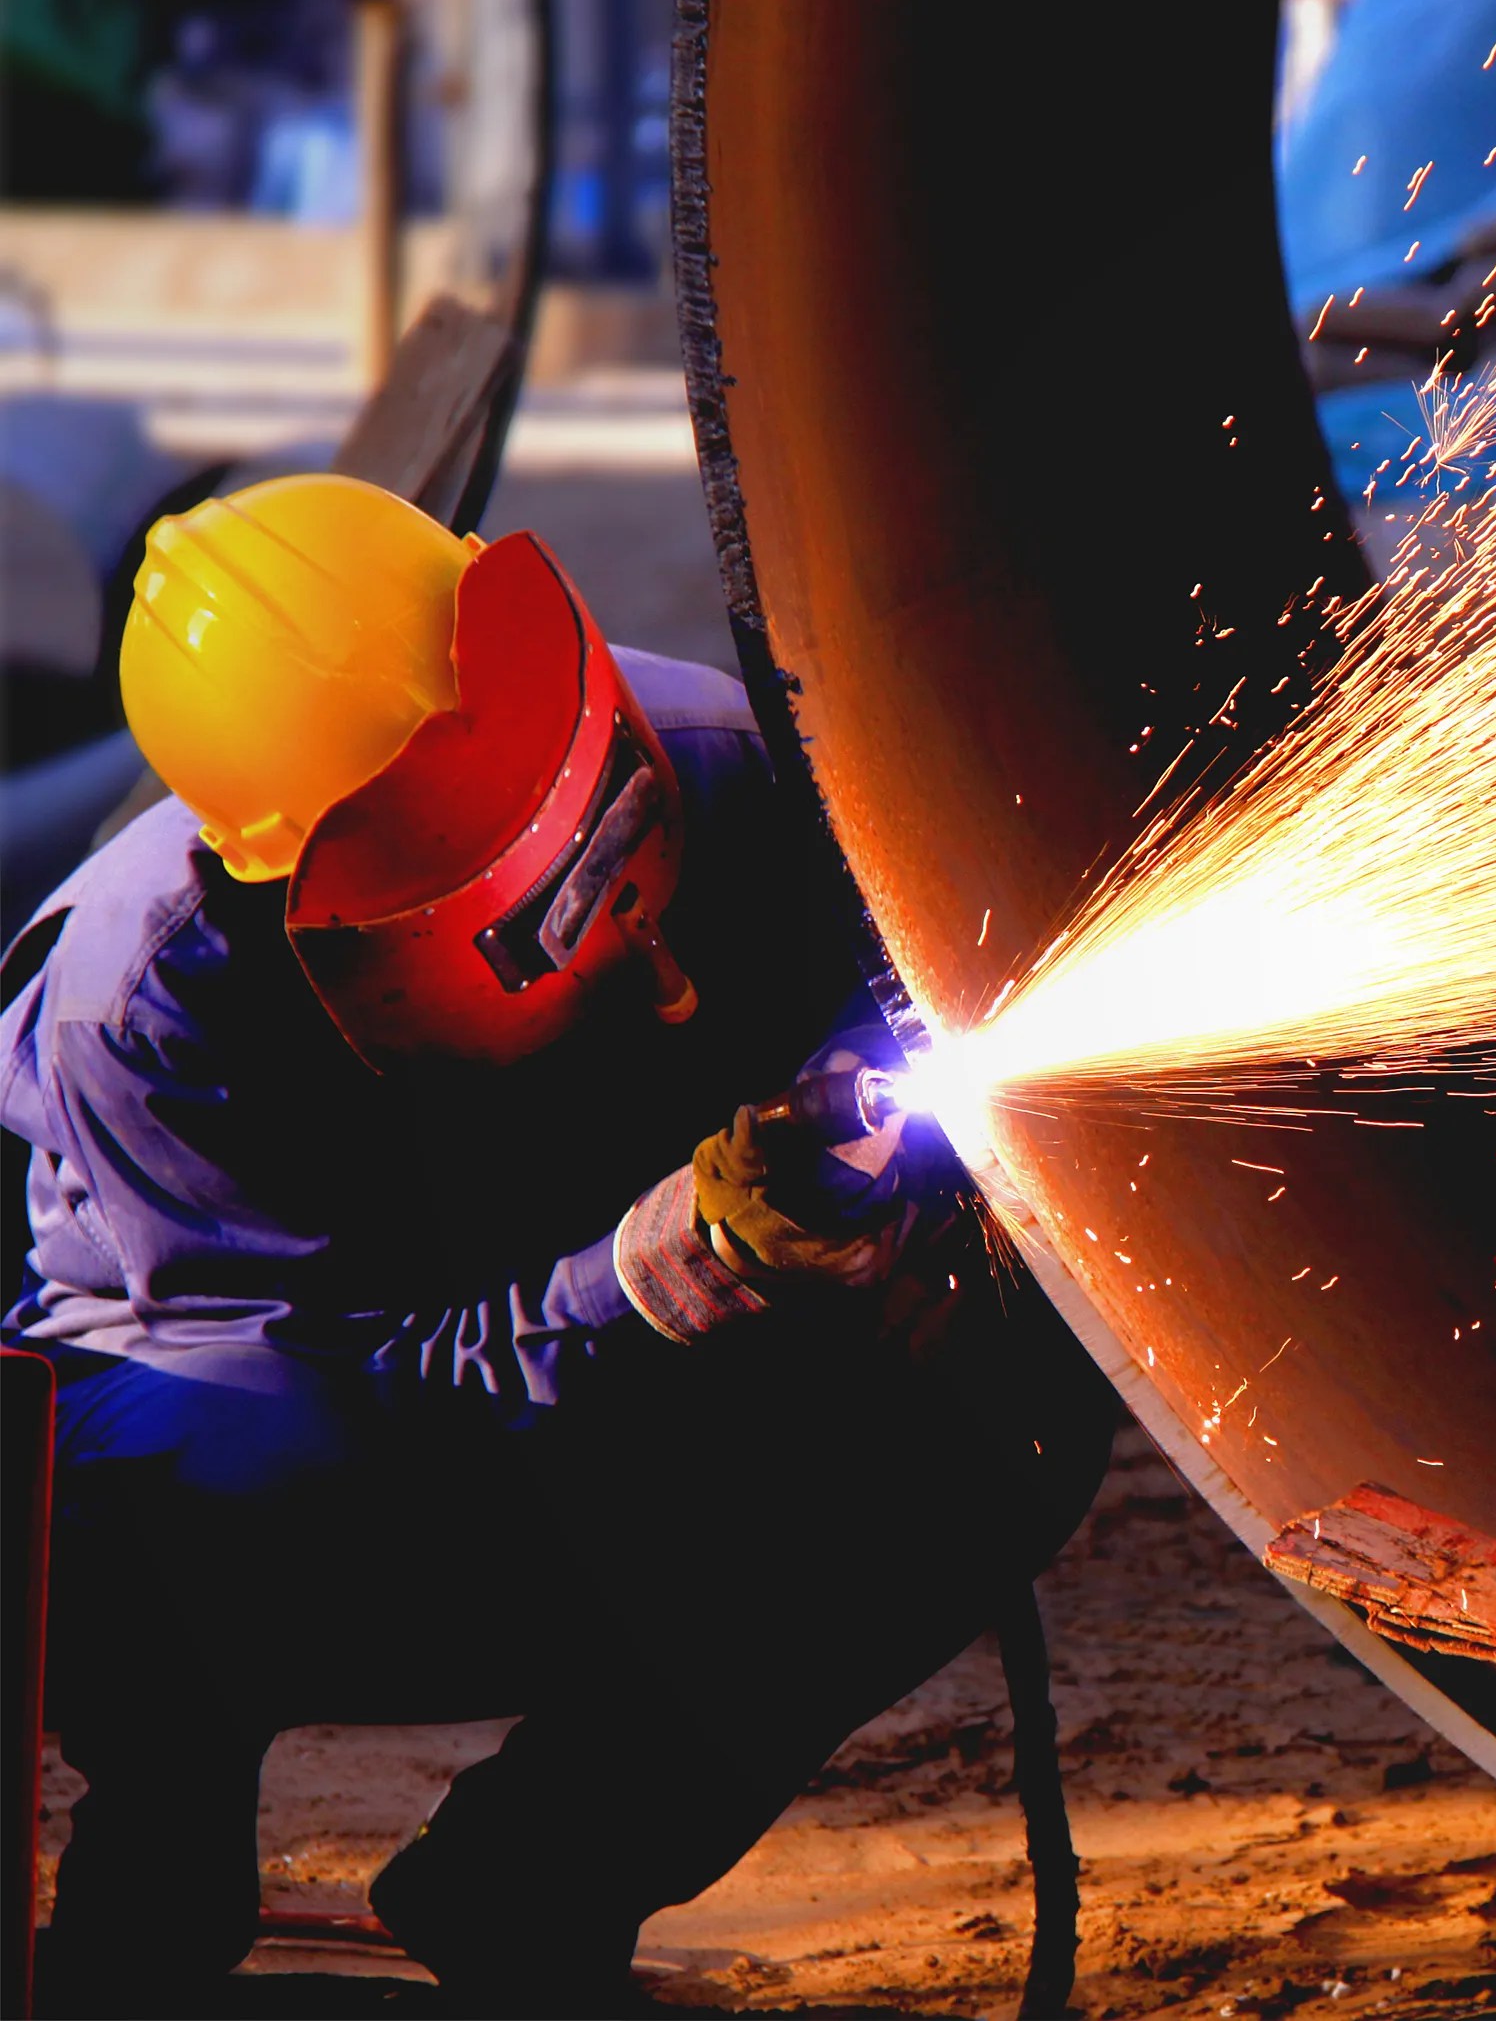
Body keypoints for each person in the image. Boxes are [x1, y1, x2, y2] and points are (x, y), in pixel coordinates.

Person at [0, 475, 1111, 2013]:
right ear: (297, 876)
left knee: (1007, 1419)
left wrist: (933, 1225)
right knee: (182, 1466)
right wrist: (661, 1268)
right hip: (310, 1459)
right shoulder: (146, 1009)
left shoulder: (742, 768)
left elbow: (931, 1051)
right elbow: (343, 1401)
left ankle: (537, 1877)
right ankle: (156, 1867)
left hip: (593, 1392)